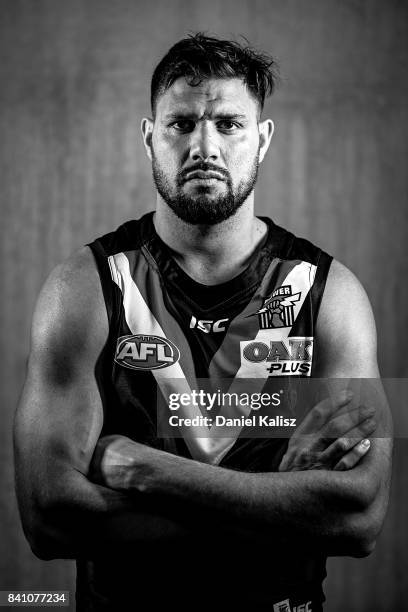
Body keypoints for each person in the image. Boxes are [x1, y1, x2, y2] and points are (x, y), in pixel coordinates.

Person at [14, 34, 392, 612]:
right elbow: (49, 519)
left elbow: (359, 519)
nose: (204, 145)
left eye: (229, 124)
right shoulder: (85, 289)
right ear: (149, 138)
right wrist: (283, 509)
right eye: (181, 124)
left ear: (262, 139)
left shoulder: (330, 295)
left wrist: (145, 469)